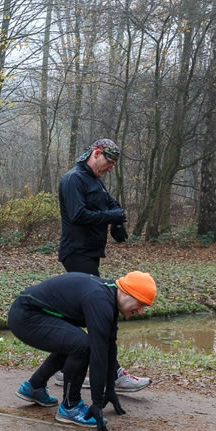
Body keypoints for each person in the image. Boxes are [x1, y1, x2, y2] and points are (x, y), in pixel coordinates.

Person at [9, 271, 156, 431]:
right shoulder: (100, 300)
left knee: (74, 341)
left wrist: (110, 389)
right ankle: (70, 406)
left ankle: (34, 387)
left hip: (32, 313)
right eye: (141, 303)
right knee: (81, 345)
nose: (141, 311)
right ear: (127, 293)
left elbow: (108, 346)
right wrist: (97, 403)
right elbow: (97, 356)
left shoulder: (109, 297)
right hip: (26, 317)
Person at [55, 138, 150, 392]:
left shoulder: (95, 180)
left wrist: (117, 223)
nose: (110, 169)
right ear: (96, 154)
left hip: (90, 254)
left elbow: (113, 205)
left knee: (79, 315)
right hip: (76, 253)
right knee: (104, 312)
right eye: (108, 163)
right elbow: (78, 215)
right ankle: (114, 375)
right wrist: (112, 217)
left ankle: (64, 370)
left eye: (112, 165)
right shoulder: (73, 179)